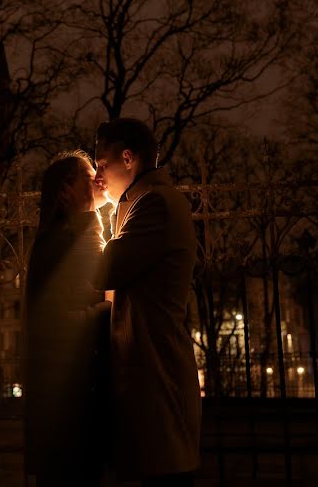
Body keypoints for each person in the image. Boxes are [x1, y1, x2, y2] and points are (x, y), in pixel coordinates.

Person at [94, 118, 200, 487]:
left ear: (127, 157)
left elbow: (103, 270)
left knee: (163, 473)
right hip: (148, 373)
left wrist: (91, 211)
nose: (97, 174)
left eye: (102, 163)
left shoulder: (154, 203)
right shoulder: (142, 202)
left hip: (157, 375)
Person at [24, 150, 111, 486]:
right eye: (90, 176)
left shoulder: (78, 233)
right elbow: (56, 323)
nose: (100, 180)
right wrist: (109, 312)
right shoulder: (62, 242)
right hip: (67, 408)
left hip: (74, 403)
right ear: (67, 190)